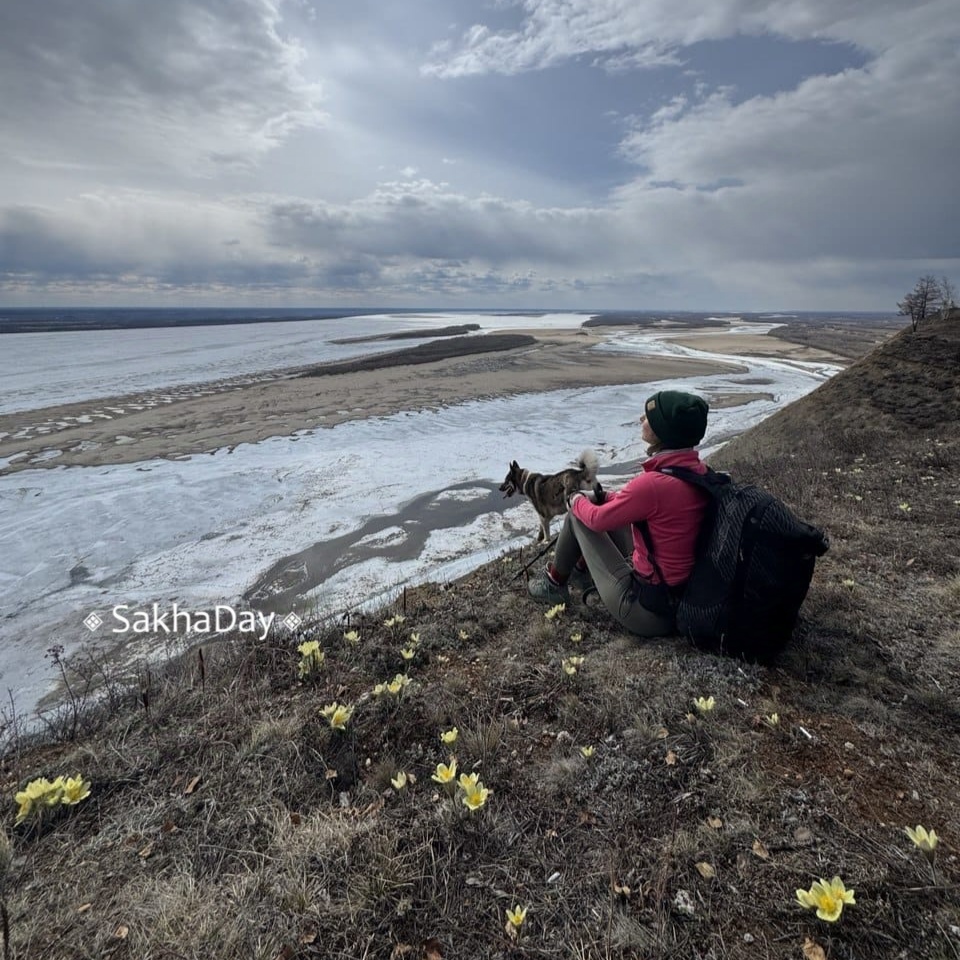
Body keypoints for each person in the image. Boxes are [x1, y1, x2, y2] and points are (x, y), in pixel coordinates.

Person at [527, 389, 710, 637]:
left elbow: (597, 520)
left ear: (663, 431)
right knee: (597, 509)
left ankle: (554, 584)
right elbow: (637, 504)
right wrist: (603, 497)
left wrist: (574, 499)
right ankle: (579, 574)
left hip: (648, 613)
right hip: (680, 600)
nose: (641, 420)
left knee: (577, 516)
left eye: (648, 417)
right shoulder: (698, 472)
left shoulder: (653, 485)